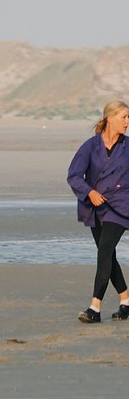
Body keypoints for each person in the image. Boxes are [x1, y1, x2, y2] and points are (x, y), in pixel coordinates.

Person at [67, 101, 129, 323]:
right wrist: (89, 192)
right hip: (94, 208)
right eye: (124, 117)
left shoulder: (128, 147)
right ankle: (126, 302)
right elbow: (73, 175)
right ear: (110, 118)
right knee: (108, 256)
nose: (127, 122)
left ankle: (94, 308)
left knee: (104, 251)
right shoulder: (90, 146)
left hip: (121, 208)